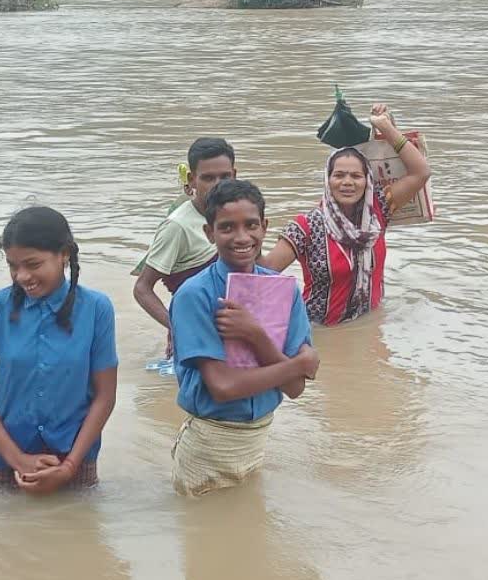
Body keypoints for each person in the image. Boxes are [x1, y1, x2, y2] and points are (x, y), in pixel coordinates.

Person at [168, 180, 319, 496]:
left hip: (258, 439)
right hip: (209, 442)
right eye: (227, 228)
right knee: (203, 535)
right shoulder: (194, 296)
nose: (241, 237)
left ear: (264, 227)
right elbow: (223, 388)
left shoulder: (284, 290)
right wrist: (299, 363)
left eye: (251, 225)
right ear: (209, 233)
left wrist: (256, 336)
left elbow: (295, 388)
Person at [0, 206, 118, 494]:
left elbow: (105, 396)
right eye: (12, 265)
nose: (21, 276)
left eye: (33, 264)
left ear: (65, 255)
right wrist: (17, 459)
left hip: (76, 463)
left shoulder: (97, 309)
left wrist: (70, 466)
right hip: (11, 466)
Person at [259, 103, 431, 325]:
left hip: (370, 324)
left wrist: (385, 128)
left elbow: (421, 171)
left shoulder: (378, 211)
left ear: (367, 181)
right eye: (339, 175)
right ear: (327, 180)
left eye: (356, 176)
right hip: (319, 329)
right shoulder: (307, 226)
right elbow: (265, 271)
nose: (347, 182)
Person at [133, 137, 236, 356]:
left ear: (234, 175)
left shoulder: (238, 215)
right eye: (208, 178)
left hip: (233, 326)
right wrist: (176, 326)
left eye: (225, 177)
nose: (218, 185)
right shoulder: (177, 226)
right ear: (192, 179)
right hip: (196, 332)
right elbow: (142, 288)